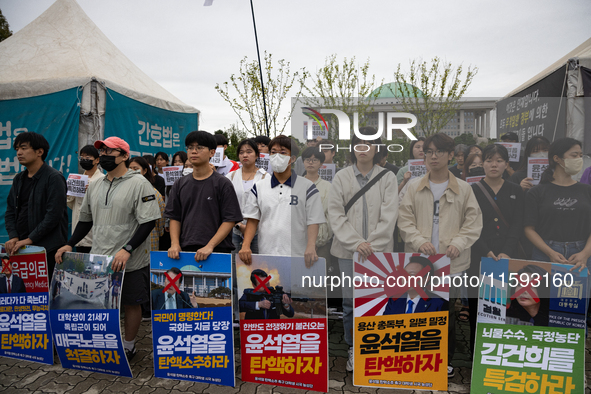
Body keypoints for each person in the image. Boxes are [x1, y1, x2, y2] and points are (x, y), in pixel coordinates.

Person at [55, 136, 161, 361]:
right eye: (101, 152)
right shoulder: (95, 184)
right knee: (102, 301)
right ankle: (106, 340)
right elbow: (86, 220)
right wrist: (69, 243)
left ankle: (130, 345)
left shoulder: (139, 183)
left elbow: (148, 221)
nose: (103, 156)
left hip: (130, 258)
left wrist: (128, 248)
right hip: (100, 257)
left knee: (132, 302)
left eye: (109, 152)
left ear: (124, 156)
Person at [398, 132, 482, 378]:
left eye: (439, 152)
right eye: (429, 152)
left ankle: (443, 358)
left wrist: (459, 242)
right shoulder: (414, 187)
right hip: (418, 263)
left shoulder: (464, 189)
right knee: (417, 308)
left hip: (451, 262)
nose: (433, 156)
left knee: (446, 311)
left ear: (450, 155)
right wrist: (419, 241)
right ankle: (416, 355)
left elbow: (473, 222)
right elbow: (404, 220)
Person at [328, 127, 398, 372]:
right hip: (348, 252)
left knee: (378, 298)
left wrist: (373, 245)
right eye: (358, 143)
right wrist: (357, 243)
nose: (363, 148)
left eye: (369, 144)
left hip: (379, 252)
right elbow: (335, 215)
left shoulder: (388, 177)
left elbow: (390, 215)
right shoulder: (341, 177)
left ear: (377, 148)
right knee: (350, 302)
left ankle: (376, 348)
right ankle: (353, 347)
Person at [468, 144, 524, 352]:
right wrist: (485, 250)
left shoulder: (516, 190)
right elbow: (469, 224)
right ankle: (478, 352)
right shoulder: (472, 190)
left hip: (508, 255)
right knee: (479, 303)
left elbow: (519, 222)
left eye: (499, 160)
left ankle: (504, 351)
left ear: (506, 164)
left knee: (508, 303)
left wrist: (507, 250)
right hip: (480, 255)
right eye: (489, 160)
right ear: (482, 164)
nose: (494, 164)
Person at [239, 135, 325, 266]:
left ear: (293, 158)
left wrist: (311, 246)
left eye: (283, 152)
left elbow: (313, 221)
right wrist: (246, 245)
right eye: (273, 152)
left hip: (298, 256)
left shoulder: (308, 187)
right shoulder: (259, 187)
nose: (277, 156)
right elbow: (253, 219)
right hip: (267, 255)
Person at [166, 131, 243, 261]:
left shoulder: (222, 183)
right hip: (185, 251)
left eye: (199, 148)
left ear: (212, 152)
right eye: (190, 148)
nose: (194, 151)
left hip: (217, 251)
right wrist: (174, 244)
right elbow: (174, 217)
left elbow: (229, 220)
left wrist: (210, 246)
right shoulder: (180, 183)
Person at [5, 132, 68, 281]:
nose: (19, 153)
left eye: (24, 148)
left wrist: (30, 239)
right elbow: (10, 211)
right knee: (24, 295)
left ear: (39, 152)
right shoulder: (18, 179)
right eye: (17, 149)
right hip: (21, 249)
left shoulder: (54, 178)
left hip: (48, 249)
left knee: (46, 297)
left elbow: (53, 215)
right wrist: (14, 236)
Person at [524, 138, 591, 272]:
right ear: (557, 158)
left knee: (576, 293)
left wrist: (585, 254)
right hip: (545, 253)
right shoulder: (537, 192)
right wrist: (550, 252)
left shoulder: (586, 190)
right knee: (544, 292)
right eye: (574, 155)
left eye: (580, 155)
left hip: (580, 255)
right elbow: (528, 229)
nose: (578, 159)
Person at [226, 139, 267, 253]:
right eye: (241, 152)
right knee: (235, 266)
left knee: (258, 267)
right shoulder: (230, 177)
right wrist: (239, 225)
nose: (245, 155)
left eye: (249, 152)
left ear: (257, 155)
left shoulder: (265, 177)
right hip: (234, 230)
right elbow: (225, 205)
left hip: (259, 232)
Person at [66, 145, 105, 254]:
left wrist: (92, 190)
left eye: (88, 158)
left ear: (97, 160)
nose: (84, 160)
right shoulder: (77, 179)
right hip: (78, 232)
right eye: (82, 157)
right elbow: (71, 204)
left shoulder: (103, 179)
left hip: (95, 235)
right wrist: (69, 191)